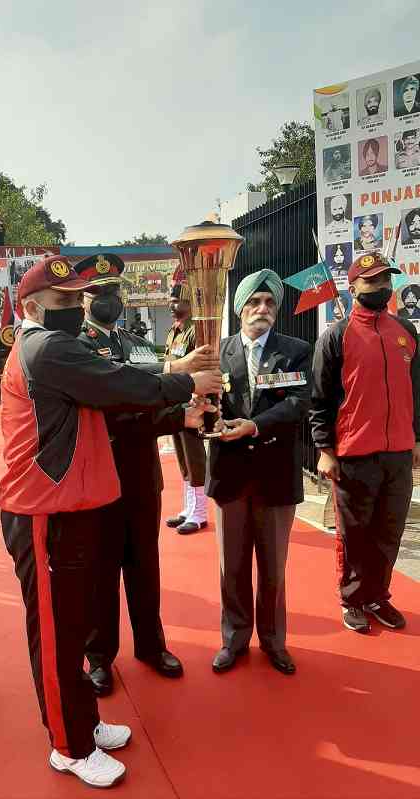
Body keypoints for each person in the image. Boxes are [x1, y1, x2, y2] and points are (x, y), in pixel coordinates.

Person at [0, 255, 222, 788]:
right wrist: (185, 382)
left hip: (72, 508)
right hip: (44, 512)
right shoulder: (45, 347)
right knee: (55, 636)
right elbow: (123, 386)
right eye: (63, 301)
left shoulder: (56, 348)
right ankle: (68, 746)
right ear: (30, 307)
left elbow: (120, 391)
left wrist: (177, 383)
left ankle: (84, 721)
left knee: (72, 629)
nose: (75, 307)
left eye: (78, 298)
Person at [73, 254, 215, 698]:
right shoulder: (74, 346)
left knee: (144, 565)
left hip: (140, 473)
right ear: (82, 298)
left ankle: (151, 646)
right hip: (99, 474)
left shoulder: (137, 343)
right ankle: (99, 657)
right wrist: (173, 382)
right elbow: (117, 396)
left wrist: (184, 415)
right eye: (98, 292)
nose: (107, 300)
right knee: (100, 570)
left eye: (113, 291)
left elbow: (151, 398)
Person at [206, 269, 311, 676]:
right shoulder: (216, 350)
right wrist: (206, 420)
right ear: (239, 309)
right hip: (229, 476)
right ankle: (233, 639)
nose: (261, 309)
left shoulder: (296, 350)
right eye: (253, 302)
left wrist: (253, 425)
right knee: (231, 566)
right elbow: (203, 401)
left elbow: (298, 404)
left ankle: (273, 641)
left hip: (275, 475)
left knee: (273, 567)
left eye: (269, 303)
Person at [310, 252, 420, 633]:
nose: (381, 287)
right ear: (353, 286)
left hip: (399, 454)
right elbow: (320, 400)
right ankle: (353, 598)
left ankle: (378, 595)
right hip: (354, 454)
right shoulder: (336, 336)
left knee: (389, 532)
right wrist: (324, 450)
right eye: (372, 281)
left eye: (386, 280)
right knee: (355, 534)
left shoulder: (406, 331)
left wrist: (416, 438)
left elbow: (416, 391)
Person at [164, 273, 209, 533]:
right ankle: (188, 507)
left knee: (194, 457)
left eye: (176, 301)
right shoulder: (175, 331)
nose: (172, 305)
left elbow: (200, 367)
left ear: (189, 302)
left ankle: (200, 512)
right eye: (170, 301)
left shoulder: (195, 329)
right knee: (182, 456)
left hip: (191, 402)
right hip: (174, 402)